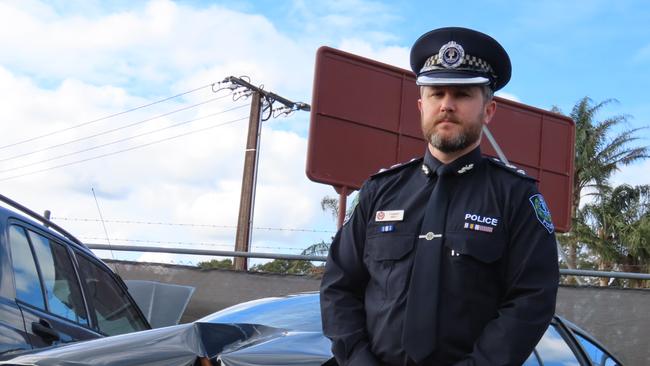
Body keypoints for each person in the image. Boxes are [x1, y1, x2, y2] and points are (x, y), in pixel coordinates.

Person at [320, 27, 559, 366]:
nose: (447, 105)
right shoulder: (378, 192)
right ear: (421, 105)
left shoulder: (516, 198)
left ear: (488, 110)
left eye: (462, 94)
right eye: (436, 94)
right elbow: (338, 287)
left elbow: (531, 299)